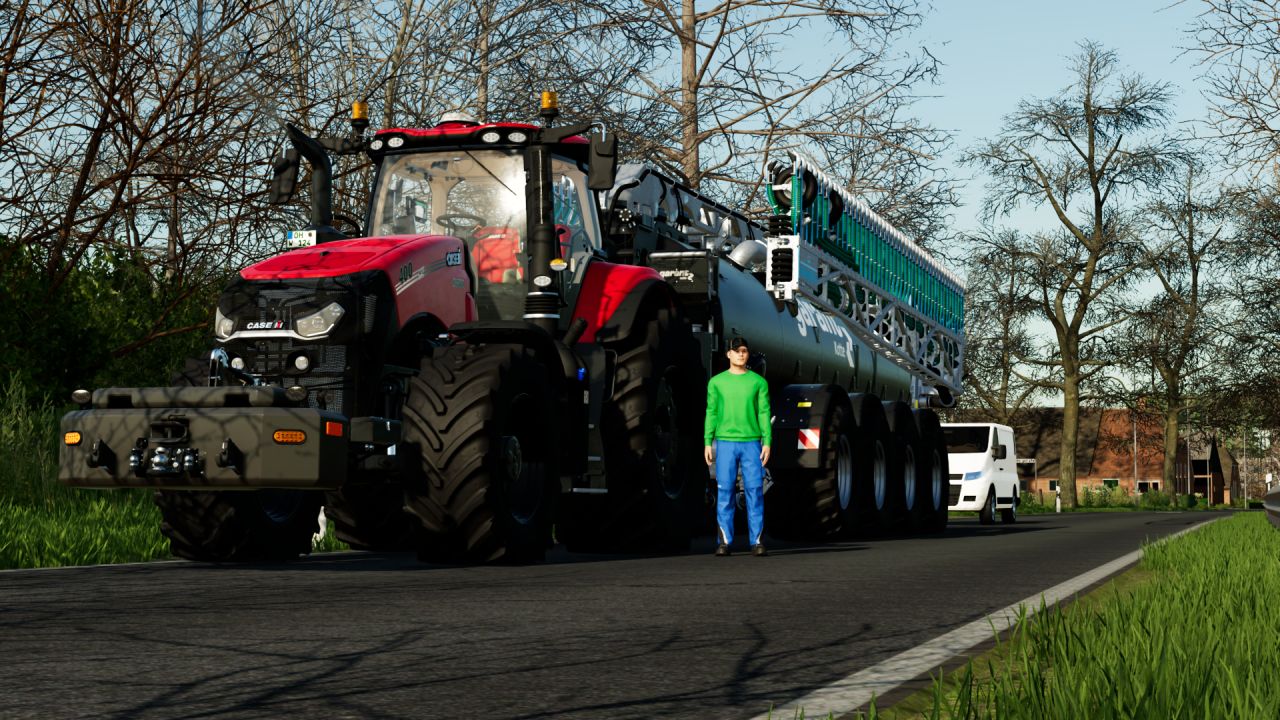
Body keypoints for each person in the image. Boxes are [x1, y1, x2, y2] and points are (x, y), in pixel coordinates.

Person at [704, 336, 771, 557]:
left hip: (751, 443)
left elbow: (764, 413)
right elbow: (711, 413)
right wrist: (707, 442)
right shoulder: (716, 382)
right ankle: (724, 542)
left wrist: (767, 442)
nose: (741, 354)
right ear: (728, 354)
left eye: (744, 350)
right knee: (725, 491)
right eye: (737, 350)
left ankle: (757, 541)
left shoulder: (758, 383)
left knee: (754, 491)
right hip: (725, 443)